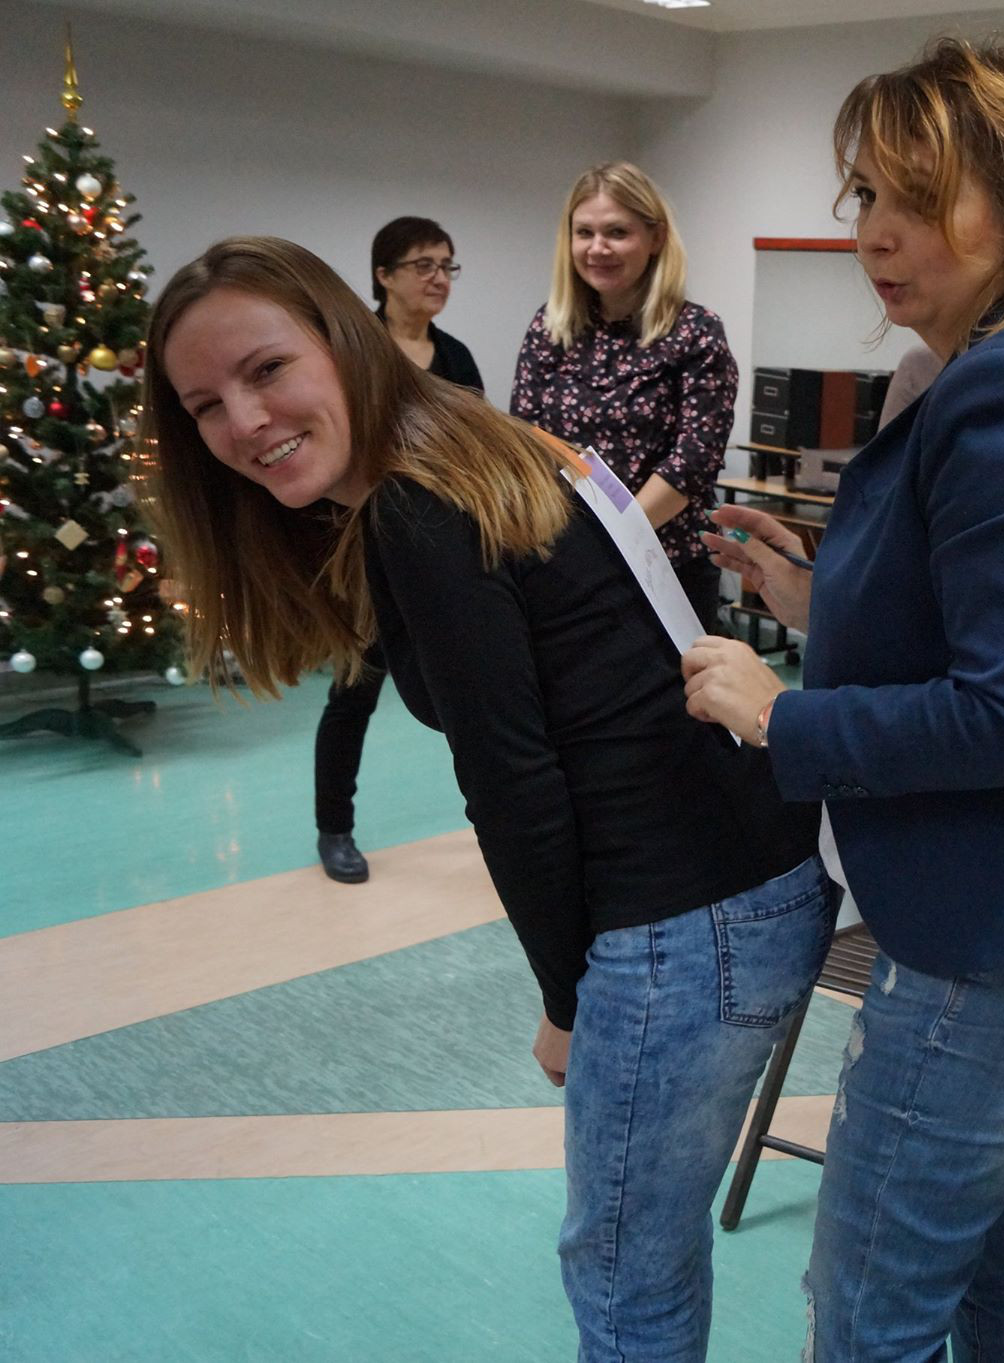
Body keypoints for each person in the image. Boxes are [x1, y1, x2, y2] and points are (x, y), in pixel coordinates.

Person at [143, 236, 824, 1362]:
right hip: (744, 876)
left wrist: (565, 999)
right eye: (205, 405)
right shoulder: (462, 450)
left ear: (343, 337)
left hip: (679, 918)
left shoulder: (416, 506)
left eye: (266, 370)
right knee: (640, 1257)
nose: (245, 421)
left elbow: (514, 787)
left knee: (625, 1274)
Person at [679, 37, 1004, 1360]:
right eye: (866, 195)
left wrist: (776, 713)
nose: (875, 232)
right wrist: (820, 602)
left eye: (917, 199)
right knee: (988, 1258)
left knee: (871, 1306)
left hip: (1000, 928)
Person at [313, 215, 484, 884]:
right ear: (383, 275)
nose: (439, 278)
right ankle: (334, 828)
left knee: (470, 692)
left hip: (440, 549)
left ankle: (493, 814)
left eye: (447, 265)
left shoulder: (457, 358)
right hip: (363, 550)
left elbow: (476, 447)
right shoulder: (352, 353)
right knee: (353, 694)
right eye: (423, 265)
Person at [510, 162, 737, 632]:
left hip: (667, 563)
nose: (598, 248)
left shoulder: (696, 332)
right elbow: (526, 439)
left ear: (655, 238)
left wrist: (619, 539)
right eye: (584, 233)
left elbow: (693, 460)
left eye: (617, 232)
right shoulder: (550, 328)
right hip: (564, 562)